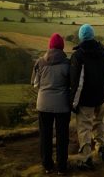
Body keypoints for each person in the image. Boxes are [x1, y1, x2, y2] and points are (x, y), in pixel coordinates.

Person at [70, 23, 104, 169]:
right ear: (93, 35)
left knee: (84, 127)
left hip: (85, 99)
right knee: (100, 122)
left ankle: (86, 158)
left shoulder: (79, 55)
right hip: (100, 96)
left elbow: (78, 83)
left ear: (81, 37)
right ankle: (102, 149)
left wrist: (74, 103)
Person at [32, 33, 72, 175]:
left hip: (43, 104)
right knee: (62, 136)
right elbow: (71, 84)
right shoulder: (68, 63)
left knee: (45, 135)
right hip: (63, 105)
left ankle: (47, 165)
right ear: (62, 47)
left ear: (49, 46)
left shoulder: (40, 62)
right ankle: (62, 167)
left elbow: (35, 84)